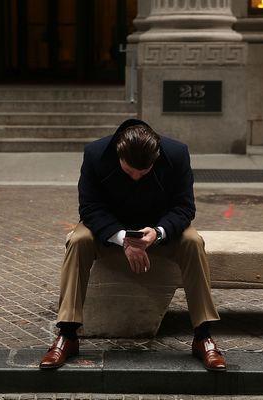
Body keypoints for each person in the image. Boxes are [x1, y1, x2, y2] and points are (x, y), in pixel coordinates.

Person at [39, 119, 226, 371]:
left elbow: (184, 207)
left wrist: (158, 233)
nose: (137, 177)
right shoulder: (95, 154)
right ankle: (68, 334)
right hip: (109, 229)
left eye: (144, 172)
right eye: (129, 172)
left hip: (158, 227)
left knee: (193, 241)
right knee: (78, 240)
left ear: (156, 156)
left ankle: (203, 336)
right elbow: (90, 208)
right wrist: (122, 238)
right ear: (119, 153)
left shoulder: (177, 154)